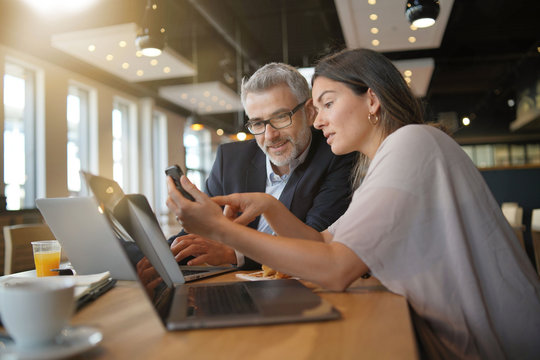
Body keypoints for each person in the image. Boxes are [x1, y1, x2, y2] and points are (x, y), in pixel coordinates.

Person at [167, 48, 540, 359]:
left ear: (372, 99)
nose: (318, 122)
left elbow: (336, 269)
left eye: (327, 104)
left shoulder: (413, 142)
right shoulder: (383, 162)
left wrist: (221, 229)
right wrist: (269, 205)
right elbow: (324, 244)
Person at [168, 62, 355, 269]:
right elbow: (197, 235)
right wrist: (162, 257)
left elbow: (315, 246)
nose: (270, 135)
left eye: (281, 117)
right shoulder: (229, 159)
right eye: (257, 123)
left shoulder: (337, 155)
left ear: (310, 112)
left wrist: (234, 254)